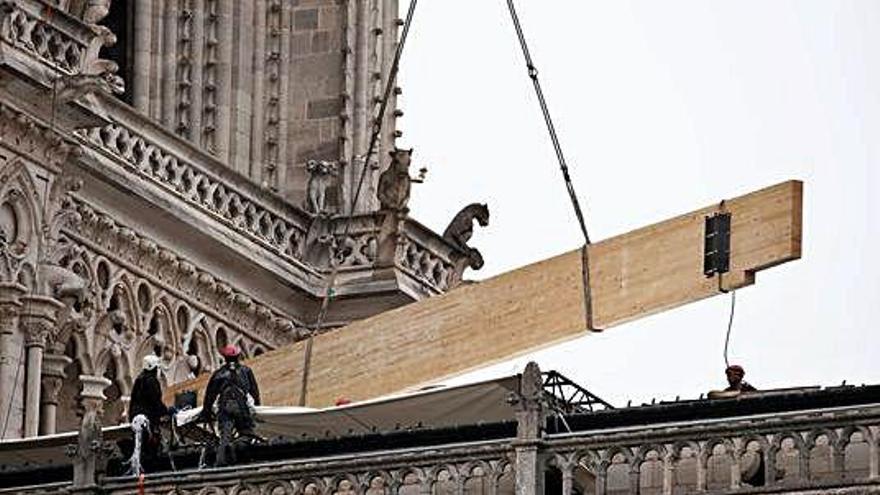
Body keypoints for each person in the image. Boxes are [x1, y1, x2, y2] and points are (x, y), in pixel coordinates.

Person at [202, 344, 261, 466]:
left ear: (225, 358)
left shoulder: (218, 374)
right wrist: (258, 406)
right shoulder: (246, 371)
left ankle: (221, 461)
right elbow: (254, 391)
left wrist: (206, 412)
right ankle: (237, 449)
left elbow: (210, 396)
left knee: (225, 435)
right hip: (240, 406)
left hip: (225, 405)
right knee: (247, 433)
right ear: (238, 356)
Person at [128, 354, 171, 472]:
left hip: (136, 418)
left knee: (140, 447)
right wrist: (167, 412)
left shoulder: (139, 379)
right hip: (147, 419)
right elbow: (155, 401)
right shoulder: (151, 381)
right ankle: (149, 469)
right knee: (150, 447)